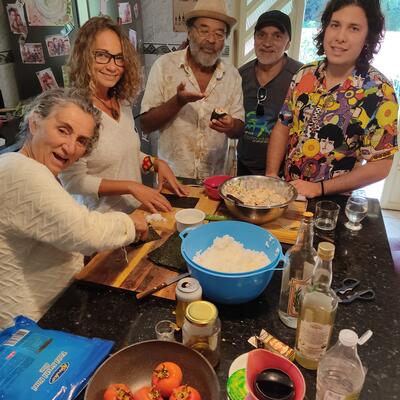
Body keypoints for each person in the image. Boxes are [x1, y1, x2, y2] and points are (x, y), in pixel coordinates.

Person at [0, 88, 148, 329]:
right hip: (26, 329)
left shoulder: (30, 167)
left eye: (81, 141)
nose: (70, 148)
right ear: (35, 122)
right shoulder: (20, 170)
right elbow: (83, 232)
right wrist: (130, 223)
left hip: (46, 313)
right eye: (63, 130)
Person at [266, 0, 398, 198]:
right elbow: (283, 126)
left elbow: (381, 165)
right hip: (289, 194)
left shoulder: (380, 92)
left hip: (333, 204)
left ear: (368, 37)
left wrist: (319, 188)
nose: (340, 37)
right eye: (335, 25)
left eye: (354, 28)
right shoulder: (305, 74)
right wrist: (271, 175)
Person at [61, 17, 187, 214]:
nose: (113, 66)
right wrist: (131, 187)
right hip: (100, 224)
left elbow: (126, 155)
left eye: (119, 58)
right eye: (102, 55)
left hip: (134, 217)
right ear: (84, 56)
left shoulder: (121, 103)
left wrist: (155, 163)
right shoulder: (75, 112)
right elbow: (73, 182)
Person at [140, 0, 245, 179]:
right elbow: (146, 125)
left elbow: (239, 129)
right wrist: (177, 102)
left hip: (213, 181)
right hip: (172, 180)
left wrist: (230, 126)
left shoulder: (232, 75)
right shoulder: (164, 66)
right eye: (204, 31)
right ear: (189, 32)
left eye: (219, 34)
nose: (211, 40)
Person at [237, 10, 302, 176]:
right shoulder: (240, 75)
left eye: (277, 36)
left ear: (288, 43)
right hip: (244, 167)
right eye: (261, 35)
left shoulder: (301, 76)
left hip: (285, 171)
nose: (267, 43)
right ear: (254, 39)